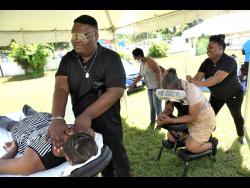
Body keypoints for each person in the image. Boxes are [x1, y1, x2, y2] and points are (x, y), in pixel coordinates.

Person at [46, 15, 130, 177]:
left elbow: (116, 91)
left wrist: (88, 114)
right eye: (73, 35)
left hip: (108, 124)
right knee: (96, 158)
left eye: (82, 35)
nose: (76, 40)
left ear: (96, 36)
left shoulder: (111, 58)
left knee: (117, 156)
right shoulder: (67, 60)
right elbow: (61, 88)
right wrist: (57, 118)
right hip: (82, 125)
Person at [0, 105, 98, 175]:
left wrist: (13, 150)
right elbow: (90, 132)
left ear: (68, 158)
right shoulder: (82, 140)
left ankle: (27, 111)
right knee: (32, 112)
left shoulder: (33, 160)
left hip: (24, 128)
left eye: (69, 131)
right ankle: (28, 110)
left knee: (6, 122)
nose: (70, 128)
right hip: (45, 119)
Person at [186, 34, 246, 145]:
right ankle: (207, 135)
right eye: (207, 48)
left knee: (236, 115)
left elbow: (216, 79)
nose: (207, 50)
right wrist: (190, 81)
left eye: (211, 48)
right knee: (208, 115)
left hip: (234, 94)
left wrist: (196, 83)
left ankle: (241, 135)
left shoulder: (229, 61)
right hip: (216, 95)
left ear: (220, 48)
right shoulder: (206, 62)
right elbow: (197, 78)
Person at [157, 68, 218, 154]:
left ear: (178, 85)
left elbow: (192, 117)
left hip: (203, 120)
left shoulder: (192, 91)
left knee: (191, 147)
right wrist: (163, 115)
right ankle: (194, 138)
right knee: (171, 138)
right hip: (186, 119)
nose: (169, 95)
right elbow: (169, 109)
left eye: (170, 92)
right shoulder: (170, 89)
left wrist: (171, 120)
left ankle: (212, 144)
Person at [128, 48, 162, 128]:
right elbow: (140, 75)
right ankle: (152, 122)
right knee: (152, 106)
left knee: (157, 106)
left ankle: (160, 124)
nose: (134, 59)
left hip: (156, 87)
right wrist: (132, 84)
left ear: (139, 55)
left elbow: (158, 72)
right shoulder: (142, 64)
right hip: (149, 88)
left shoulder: (150, 61)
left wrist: (159, 87)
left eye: (135, 57)